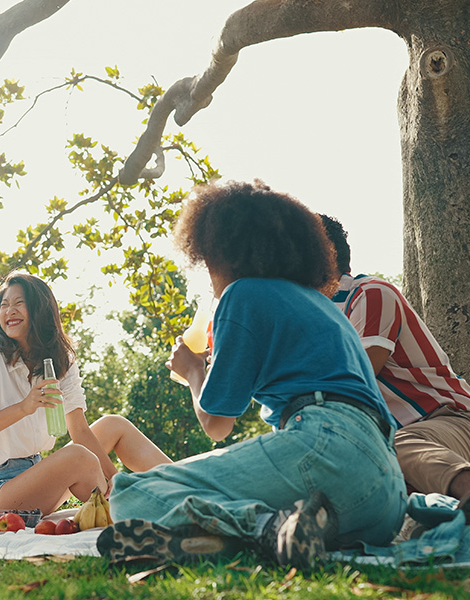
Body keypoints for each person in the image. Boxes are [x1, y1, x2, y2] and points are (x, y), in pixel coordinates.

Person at [96, 181, 407, 569]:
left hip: (326, 454)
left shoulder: (241, 294)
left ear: (222, 253)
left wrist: (194, 370)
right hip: (386, 498)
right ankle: (280, 535)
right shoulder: (322, 306)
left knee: (130, 491)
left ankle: (262, 526)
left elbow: (216, 424)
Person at [0, 272, 172, 516]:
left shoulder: (59, 361)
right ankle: (135, 509)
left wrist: (114, 477)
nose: (9, 311)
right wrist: (24, 407)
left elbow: (78, 430)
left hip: (35, 476)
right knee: (78, 457)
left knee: (113, 425)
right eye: (4, 305)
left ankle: (189, 491)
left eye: (19, 303)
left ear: (40, 309)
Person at [320, 214, 470, 506]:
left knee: (386, 449)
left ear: (325, 251)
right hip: (401, 445)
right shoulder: (308, 321)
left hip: (450, 420)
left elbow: (355, 382)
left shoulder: (369, 293)